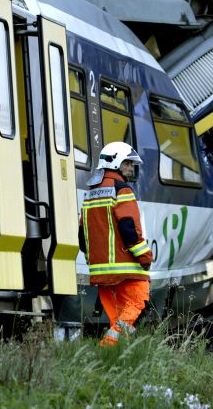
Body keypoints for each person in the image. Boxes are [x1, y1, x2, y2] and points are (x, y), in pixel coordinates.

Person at [79, 142, 153, 346]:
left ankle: (117, 354)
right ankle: (107, 346)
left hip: (100, 271)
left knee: (117, 318)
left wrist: (92, 260)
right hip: (126, 269)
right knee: (137, 301)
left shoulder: (91, 193)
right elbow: (129, 229)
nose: (130, 168)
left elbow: (82, 235)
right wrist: (145, 257)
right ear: (116, 163)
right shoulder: (122, 190)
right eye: (128, 163)